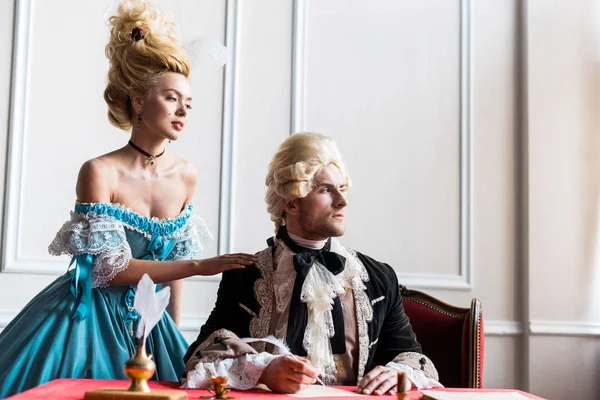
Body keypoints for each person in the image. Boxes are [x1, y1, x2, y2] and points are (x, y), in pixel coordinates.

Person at [0, 0, 255, 397]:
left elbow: (168, 269)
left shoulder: (186, 175)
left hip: (152, 325)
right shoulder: (99, 171)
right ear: (138, 100)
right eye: (172, 98)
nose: (182, 110)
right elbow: (110, 271)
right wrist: (201, 265)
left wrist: (175, 337)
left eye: (188, 103)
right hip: (86, 322)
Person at [182, 133, 442, 395]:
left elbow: (410, 356)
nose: (342, 200)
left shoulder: (377, 278)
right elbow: (199, 357)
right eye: (326, 189)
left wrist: (398, 372)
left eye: (342, 188)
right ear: (292, 203)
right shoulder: (245, 275)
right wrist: (263, 371)